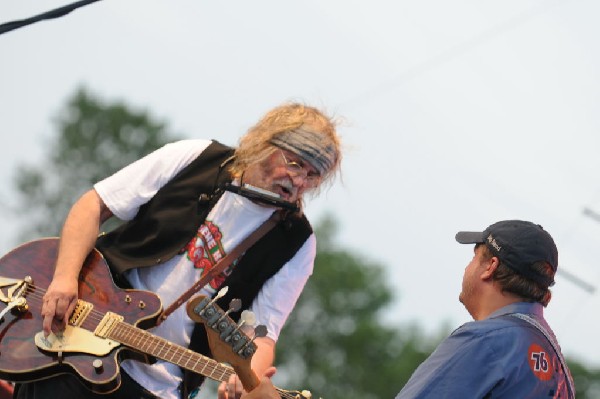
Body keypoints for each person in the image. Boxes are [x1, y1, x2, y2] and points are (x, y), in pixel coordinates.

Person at [14, 102, 342, 399]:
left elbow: (263, 334)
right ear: (265, 143)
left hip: (159, 388)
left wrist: (247, 377)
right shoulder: (196, 157)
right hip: (72, 344)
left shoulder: (297, 242)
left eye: (313, 176)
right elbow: (92, 206)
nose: (299, 182)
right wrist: (64, 279)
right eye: (295, 164)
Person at [396, 220, 575, 398]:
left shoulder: (486, 340)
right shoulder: (561, 373)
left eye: (474, 257)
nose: (468, 267)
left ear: (490, 267)